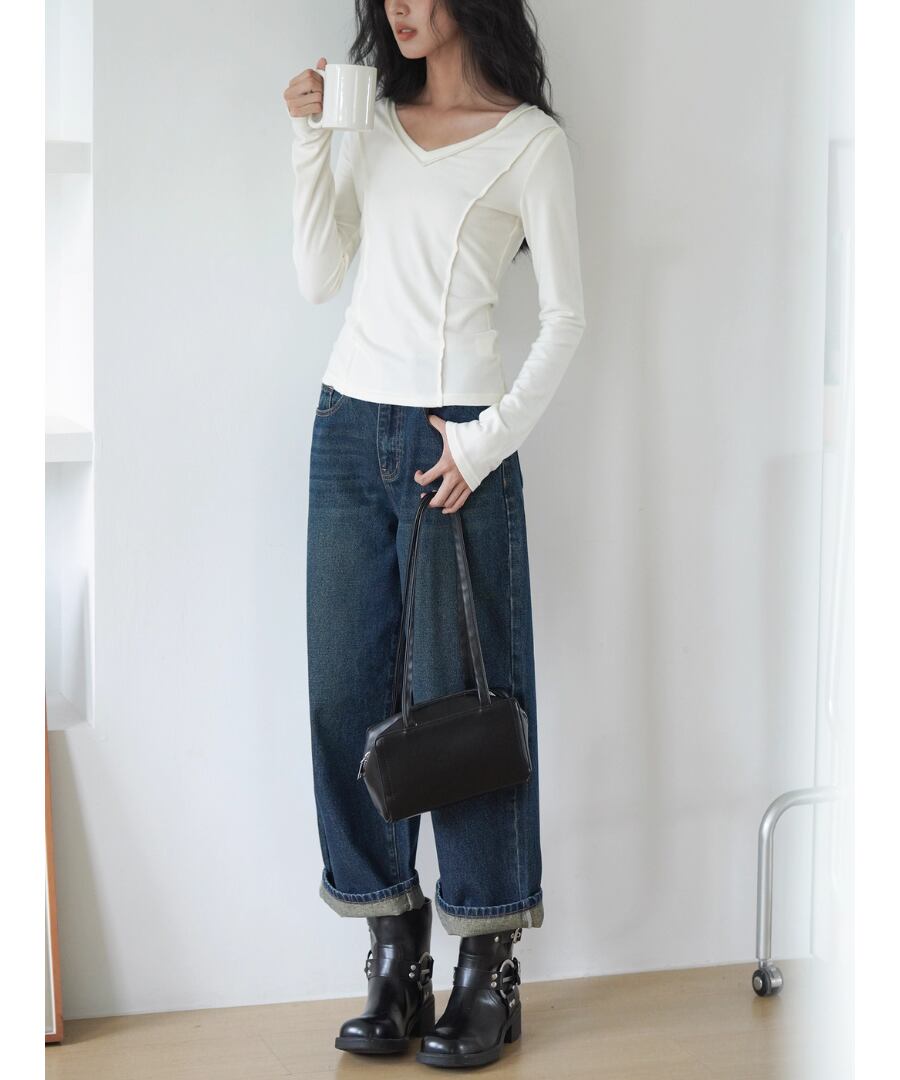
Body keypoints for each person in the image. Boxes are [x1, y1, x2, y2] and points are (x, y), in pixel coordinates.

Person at [283, 0, 586, 1067]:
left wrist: (485, 442)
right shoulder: (368, 118)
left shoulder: (529, 143)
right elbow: (318, 275)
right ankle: (394, 950)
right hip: (345, 428)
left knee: (468, 703)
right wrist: (310, 140)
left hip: (455, 443)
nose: (398, 8)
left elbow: (567, 317)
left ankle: (487, 964)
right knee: (344, 695)